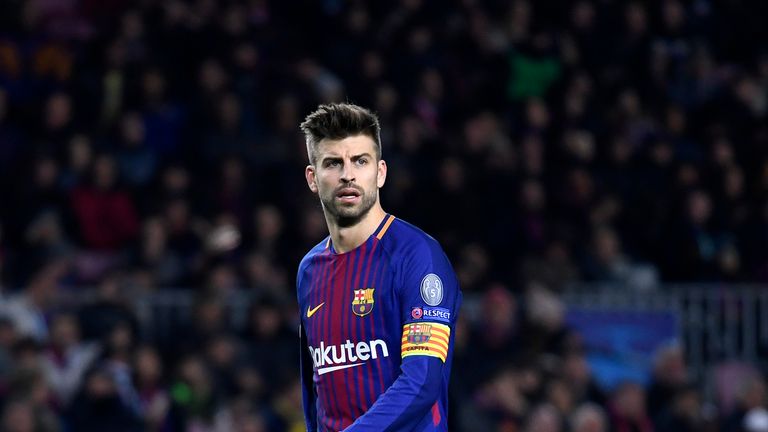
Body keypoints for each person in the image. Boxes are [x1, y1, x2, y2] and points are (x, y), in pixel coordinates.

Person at [296, 103, 462, 431]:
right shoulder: (308, 271)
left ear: (381, 172)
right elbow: (314, 389)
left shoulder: (417, 256)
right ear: (313, 179)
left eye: (360, 161)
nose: (348, 174)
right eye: (333, 163)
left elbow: (421, 382)